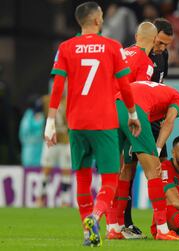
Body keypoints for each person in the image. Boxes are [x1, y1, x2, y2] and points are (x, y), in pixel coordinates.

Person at [44, 2, 141, 247]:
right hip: (104, 122)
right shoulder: (112, 47)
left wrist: (51, 121)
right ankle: (96, 218)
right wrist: (132, 114)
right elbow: (124, 85)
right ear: (98, 20)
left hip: (77, 123)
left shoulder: (65, 48)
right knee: (110, 178)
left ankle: (88, 232)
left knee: (83, 179)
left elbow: (57, 86)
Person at [107, 80, 179, 240]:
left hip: (115, 105)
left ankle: (114, 226)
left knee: (121, 170)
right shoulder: (177, 98)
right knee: (154, 171)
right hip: (135, 109)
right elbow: (169, 122)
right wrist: (156, 150)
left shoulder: (155, 90)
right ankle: (163, 230)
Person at [122, 17, 174, 237]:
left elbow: (157, 88)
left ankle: (161, 223)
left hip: (153, 118)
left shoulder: (162, 57)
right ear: (152, 37)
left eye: (166, 45)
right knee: (128, 169)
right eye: (160, 43)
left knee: (163, 167)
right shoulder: (139, 56)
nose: (162, 49)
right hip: (134, 116)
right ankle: (125, 222)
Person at [117, 22, 157, 238]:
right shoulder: (146, 61)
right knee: (131, 170)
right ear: (153, 40)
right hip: (126, 114)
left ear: (136, 35)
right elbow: (140, 93)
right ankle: (128, 226)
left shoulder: (121, 53)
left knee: (114, 171)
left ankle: (114, 225)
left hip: (106, 113)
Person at [39, 92, 72, 207]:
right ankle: (41, 197)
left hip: (65, 140)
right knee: (46, 169)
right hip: (50, 140)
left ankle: (65, 200)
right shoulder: (46, 99)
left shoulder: (70, 99)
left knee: (66, 169)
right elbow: (38, 114)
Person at [19, 96, 44, 168]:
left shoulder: (42, 116)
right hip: (29, 155)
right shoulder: (28, 117)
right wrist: (37, 138)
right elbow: (23, 136)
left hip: (40, 155)